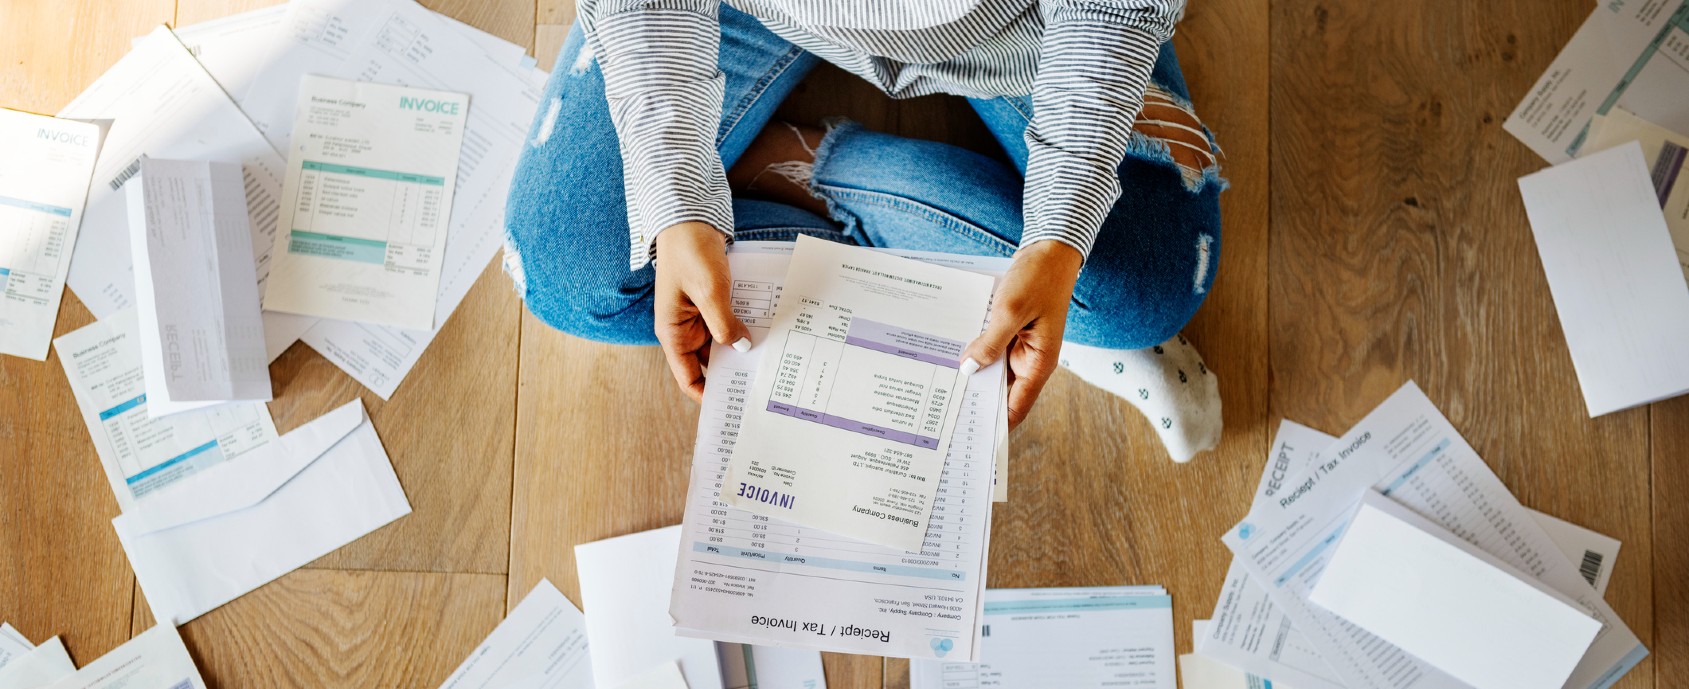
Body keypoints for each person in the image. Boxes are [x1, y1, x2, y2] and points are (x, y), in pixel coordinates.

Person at [503, 0, 1225, 460]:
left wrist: (1060, 233)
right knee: (568, 272)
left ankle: (786, 162)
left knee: (1149, 288)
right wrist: (676, 194)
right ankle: (1028, 307)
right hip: (735, 11)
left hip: (1017, 32)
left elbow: (1113, 8)